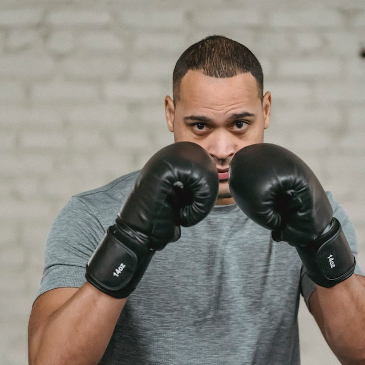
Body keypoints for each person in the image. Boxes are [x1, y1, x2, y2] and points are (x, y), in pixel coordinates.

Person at [28, 35, 365, 365]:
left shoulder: (304, 208)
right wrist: (131, 238)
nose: (221, 150)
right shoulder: (93, 214)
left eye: (239, 124)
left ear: (266, 110)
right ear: (170, 114)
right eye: (200, 125)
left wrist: (318, 238)